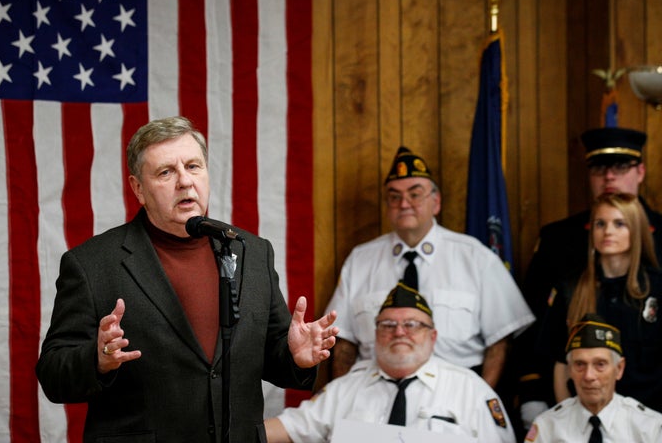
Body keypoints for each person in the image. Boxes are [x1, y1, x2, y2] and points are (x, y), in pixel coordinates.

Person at [36, 116, 339, 442]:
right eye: (166, 172)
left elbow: (269, 355)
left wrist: (294, 355)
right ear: (138, 188)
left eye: (193, 166)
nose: (184, 181)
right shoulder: (93, 263)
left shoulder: (251, 250)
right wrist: (97, 360)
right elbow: (53, 373)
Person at [325, 146, 534, 389]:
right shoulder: (361, 260)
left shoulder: (474, 256)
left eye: (415, 194)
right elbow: (343, 343)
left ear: (435, 202)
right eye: (394, 196)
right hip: (374, 393)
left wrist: (480, 401)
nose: (404, 203)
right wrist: (343, 402)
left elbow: (501, 342)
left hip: (455, 394)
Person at [517, 127, 662, 427]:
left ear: (640, 171)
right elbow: (540, 334)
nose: (609, 177)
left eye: (621, 167)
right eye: (599, 167)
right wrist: (536, 394)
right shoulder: (559, 241)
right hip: (580, 413)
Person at [265, 282, 517, 442]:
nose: (399, 332)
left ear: (433, 336)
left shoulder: (469, 389)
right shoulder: (345, 389)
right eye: (388, 325)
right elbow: (286, 429)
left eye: (412, 325)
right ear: (375, 334)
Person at [535, 192, 662, 413]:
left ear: (637, 231)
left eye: (619, 224)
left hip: (650, 421)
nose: (608, 231)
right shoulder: (571, 288)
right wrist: (569, 419)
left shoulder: (657, 288)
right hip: (587, 419)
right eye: (600, 224)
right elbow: (561, 365)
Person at [524, 314, 662, 442]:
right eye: (580, 364)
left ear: (619, 369)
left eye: (600, 365)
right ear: (570, 370)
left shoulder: (650, 428)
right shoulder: (547, 427)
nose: (589, 376)